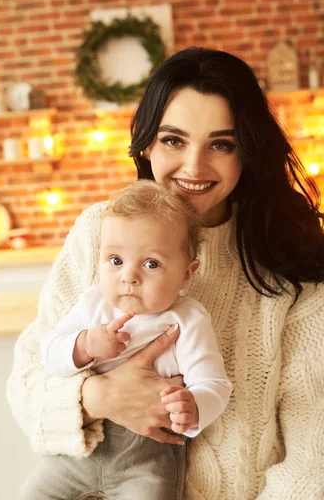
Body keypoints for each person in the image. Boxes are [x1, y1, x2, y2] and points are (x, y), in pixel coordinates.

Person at [7, 47, 324, 500]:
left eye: (221, 143)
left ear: (247, 151)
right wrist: (99, 397)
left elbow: (313, 461)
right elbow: (26, 386)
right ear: (148, 142)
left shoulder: (291, 255)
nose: (194, 167)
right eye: (174, 140)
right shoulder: (101, 230)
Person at [34, 180, 232, 500]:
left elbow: (215, 384)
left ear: (187, 273)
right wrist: (84, 344)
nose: (129, 276)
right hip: (78, 451)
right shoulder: (93, 304)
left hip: (147, 460)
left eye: (151, 264)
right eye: (115, 260)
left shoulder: (188, 320)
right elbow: (48, 352)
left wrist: (194, 406)